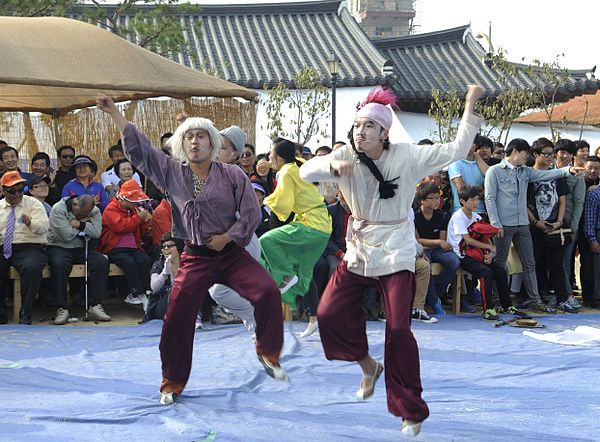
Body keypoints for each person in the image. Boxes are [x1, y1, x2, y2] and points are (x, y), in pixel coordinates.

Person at [299, 85, 485, 437]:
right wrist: (330, 163)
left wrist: (470, 105)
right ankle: (368, 365)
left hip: (397, 249)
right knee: (327, 314)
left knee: (398, 329)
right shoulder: (346, 159)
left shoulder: (408, 156)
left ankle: (409, 409)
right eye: (357, 126)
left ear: (384, 133)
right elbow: (306, 171)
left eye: (369, 126)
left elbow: (458, 149)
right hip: (360, 248)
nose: (360, 132)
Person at [97, 94, 285, 406]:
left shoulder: (234, 175)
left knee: (267, 291)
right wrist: (116, 113)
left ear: (213, 144)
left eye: (201, 136)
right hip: (196, 258)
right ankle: (172, 381)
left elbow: (251, 215)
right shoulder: (173, 172)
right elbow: (141, 151)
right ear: (182, 146)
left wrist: (228, 237)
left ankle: (268, 352)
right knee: (177, 318)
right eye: (188, 136)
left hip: (231, 254)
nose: (194, 142)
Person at [484, 138, 582, 313]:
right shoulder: (494, 171)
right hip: (503, 225)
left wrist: (567, 170)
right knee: (500, 263)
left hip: (523, 224)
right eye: (525, 153)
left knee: (530, 263)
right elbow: (489, 199)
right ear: (514, 151)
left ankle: (535, 300)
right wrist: (495, 223)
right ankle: (498, 300)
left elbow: (546, 174)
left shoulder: (525, 171)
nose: (527, 157)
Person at [259, 138, 332, 338]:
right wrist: (268, 168)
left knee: (266, 242)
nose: (268, 157)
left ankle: (284, 284)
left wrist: (261, 202)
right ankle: (314, 318)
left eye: (271, 154)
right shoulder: (298, 164)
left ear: (280, 157)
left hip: (308, 223)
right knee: (303, 270)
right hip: (318, 222)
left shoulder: (287, 171)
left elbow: (281, 204)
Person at [447, 185, 527, 320]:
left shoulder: (477, 217)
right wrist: (491, 248)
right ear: (462, 201)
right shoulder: (458, 216)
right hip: (462, 255)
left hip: (477, 253)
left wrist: (491, 254)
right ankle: (488, 309)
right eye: (472, 200)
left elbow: (485, 238)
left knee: (501, 272)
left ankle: (507, 307)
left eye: (477, 200)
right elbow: (468, 240)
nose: (475, 203)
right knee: (485, 273)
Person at [47, 194, 111, 324]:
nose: (81, 216)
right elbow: (66, 236)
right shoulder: (58, 209)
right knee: (59, 264)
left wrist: (80, 225)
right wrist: (87, 226)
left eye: (85, 215)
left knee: (101, 262)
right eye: (79, 214)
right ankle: (62, 307)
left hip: (83, 246)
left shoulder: (94, 210)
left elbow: (97, 233)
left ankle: (95, 304)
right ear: (75, 205)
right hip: (59, 246)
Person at [527, 141, 574, 312]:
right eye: (545, 154)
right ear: (535, 154)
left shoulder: (557, 174)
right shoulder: (528, 174)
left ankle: (562, 299)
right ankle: (536, 297)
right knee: (536, 262)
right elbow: (523, 202)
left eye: (551, 154)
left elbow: (563, 200)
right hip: (534, 225)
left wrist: (559, 221)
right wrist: (535, 221)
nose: (549, 157)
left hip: (556, 225)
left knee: (557, 264)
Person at [0, 171, 48, 325]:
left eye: (21, 190)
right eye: (12, 191)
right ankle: (1, 311)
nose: (17, 194)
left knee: (32, 267)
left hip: (29, 246)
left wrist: (30, 223)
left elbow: (43, 228)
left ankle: (26, 312)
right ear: (3, 191)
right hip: (3, 247)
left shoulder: (33, 203)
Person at [98, 179, 153, 306]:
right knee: (130, 263)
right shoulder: (111, 208)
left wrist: (145, 222)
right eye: (134, 200)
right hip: (114, 247)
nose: (137, 203)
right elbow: (120, 227)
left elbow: (141, 231)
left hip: (134, 247)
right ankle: (136, 293)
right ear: (125, 198)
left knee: (145, 260)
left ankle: (147, 291)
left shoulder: (133, 210)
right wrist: (139, 218)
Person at [414, 183, 457, 315]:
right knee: (426, 265)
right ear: (422, 200)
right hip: (421, 249)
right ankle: (433, 302)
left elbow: (442, 240)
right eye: (432, 198)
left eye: (438, 198)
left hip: (436, 248)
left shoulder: (442, 215)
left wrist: (439, 242)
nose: (436, 201)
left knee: (453, 261)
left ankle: (437, 294)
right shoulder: (415, 215)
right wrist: (438, 242)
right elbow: (417, 240)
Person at [553, 139, 585, 308]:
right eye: (561, 152)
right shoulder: (548, 171)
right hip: (548, 223)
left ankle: (568, 295)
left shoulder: (577, 176)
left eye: (568, 153)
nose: (564, 155)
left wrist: (574, 228)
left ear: (573, 155)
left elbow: (579, 202)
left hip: (567, 224)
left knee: (565, 261)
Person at [143, 232, 183, 323]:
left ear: (178, 247)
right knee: (174, 293)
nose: (165, 249)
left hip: (184, 301)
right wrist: (165, 272)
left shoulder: (186, 264)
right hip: (162, 302)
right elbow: (154, 287)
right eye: (163, 246)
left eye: (169, 246)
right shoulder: (159, 265)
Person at [447, 134, 489, 215]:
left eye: (469, 142)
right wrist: (480, 190)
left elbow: (491, 182)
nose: (465, 145)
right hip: (462, 212)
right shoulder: (455, 163)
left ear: (475, 145)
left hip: (482, 212)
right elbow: (463, 190)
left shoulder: (480, 163)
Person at [583, 182, 600, 308]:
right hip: (598, 234)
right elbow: (589, 218)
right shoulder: (594, 193)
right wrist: (592, 239)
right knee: (597, 270)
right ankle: (598, 299)